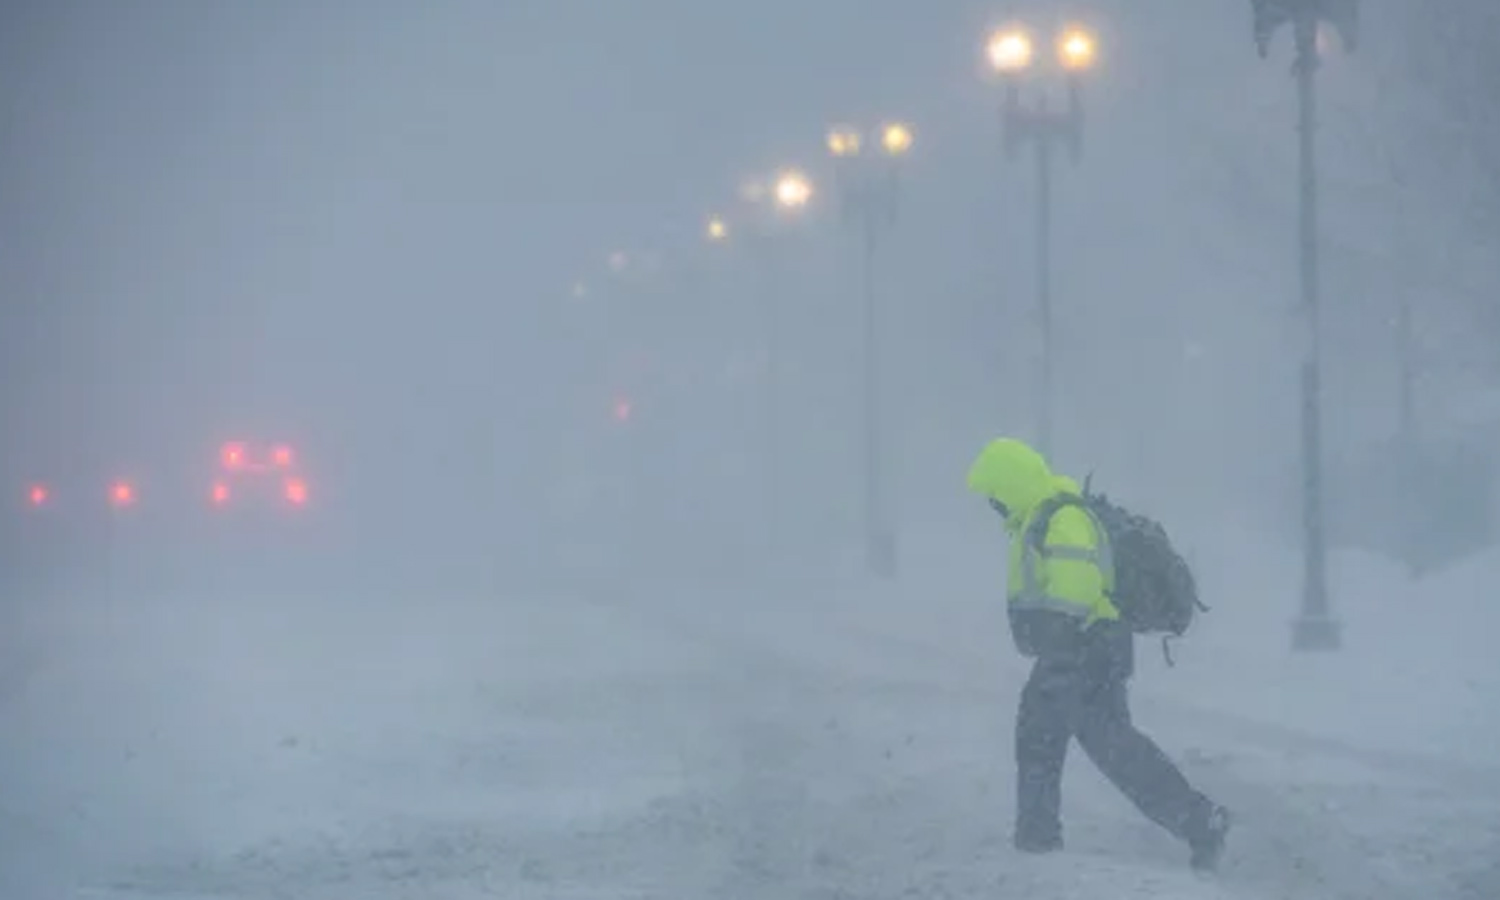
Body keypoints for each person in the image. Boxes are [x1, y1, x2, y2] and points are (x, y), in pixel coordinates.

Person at [965, 437, 1231, 871]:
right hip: (1083, 648)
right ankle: (1196, 821)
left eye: (995, 494)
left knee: (1075, 741)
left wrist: (1052, 635)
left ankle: (1040, 840)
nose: (993, 505)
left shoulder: (1060, 518)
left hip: (1085, 647)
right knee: (1090, 742)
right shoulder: (1038, 518)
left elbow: (1077, 590)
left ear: (1011, 483)